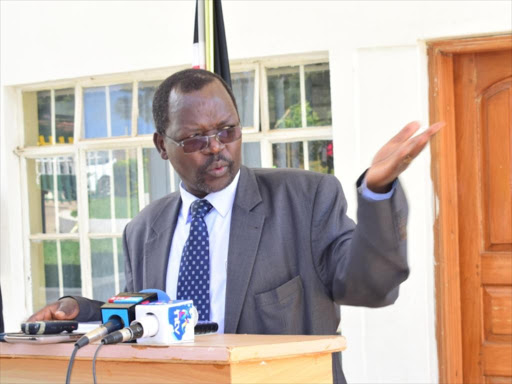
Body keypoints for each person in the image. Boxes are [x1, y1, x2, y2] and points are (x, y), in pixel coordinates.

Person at [28, 69, 443, 383]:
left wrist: (377, 191)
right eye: (194, 139)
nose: (216, 147)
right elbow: (149, 319)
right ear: (162, 146)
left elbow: (371, 287)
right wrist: (80, 312)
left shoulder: (306, 199)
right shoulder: (144, 229)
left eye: (227, 131)